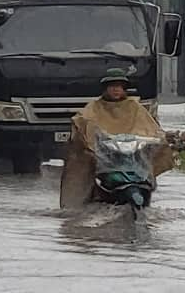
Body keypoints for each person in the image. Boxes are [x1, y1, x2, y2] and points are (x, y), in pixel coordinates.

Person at [59, 68, 174, 209]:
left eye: (119, 87)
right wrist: (89, 135)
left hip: (133, 157)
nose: (116, 90)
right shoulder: (94, 107)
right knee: (83, 169)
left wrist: (157, 138)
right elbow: (84, 122)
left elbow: (149, 126)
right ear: (106, 89)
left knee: (147, 170)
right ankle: (82, 201)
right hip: (105, 157)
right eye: (112, 87)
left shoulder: (134, 107)